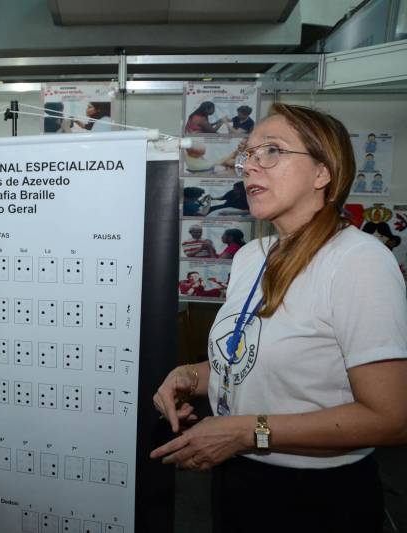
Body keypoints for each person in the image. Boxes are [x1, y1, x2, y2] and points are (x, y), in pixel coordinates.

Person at [151, 104, 407, 532]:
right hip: (239, 477)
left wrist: (249, 431)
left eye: (270, 152)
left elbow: (392, 418)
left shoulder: (359, 261)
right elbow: (257, 359)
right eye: (247, 155)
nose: (249, 167)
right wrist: (192, 376)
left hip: (317, 498)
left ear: (322, 173)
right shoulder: (252, 256)